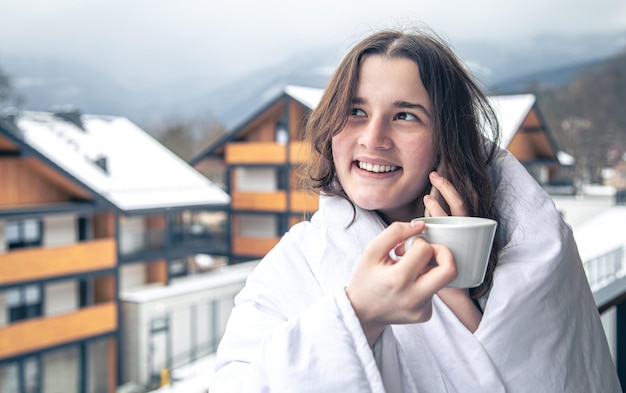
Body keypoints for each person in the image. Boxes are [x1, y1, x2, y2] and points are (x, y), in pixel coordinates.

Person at [212, 28, 621, 392]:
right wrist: (360, 313)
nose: (374, 138)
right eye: (356, 111)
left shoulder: (534, 247)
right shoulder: (292, 265)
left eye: (405, 115)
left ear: (447, 138)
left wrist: (454, 287)